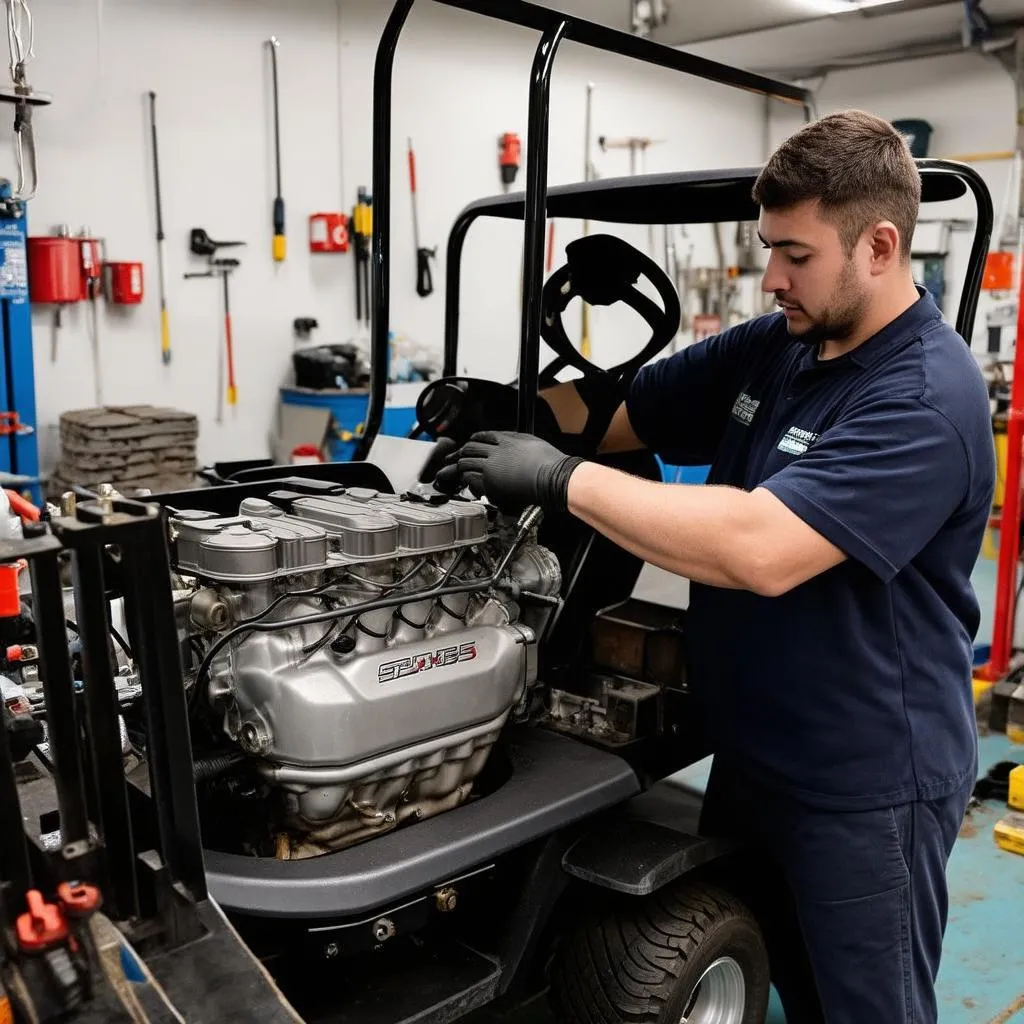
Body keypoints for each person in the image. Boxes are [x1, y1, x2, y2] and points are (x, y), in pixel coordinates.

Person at [435, 110, 996, 1024]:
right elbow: (623, 413)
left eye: (795, 254)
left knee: (867, 1007)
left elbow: (759, 549)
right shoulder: (782, 342)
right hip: (752, 754)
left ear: (881, 245)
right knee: (782, 977)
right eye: (767, 248)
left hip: (862, 780)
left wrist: (561, 479)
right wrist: (508, 410)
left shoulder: (924, 397)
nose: (772, 277)